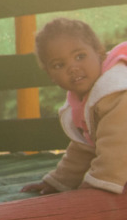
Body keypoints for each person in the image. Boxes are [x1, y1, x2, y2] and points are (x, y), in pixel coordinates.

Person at [24, 18, 127, 195]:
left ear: (99, 52)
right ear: (51, 76)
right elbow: (84, 145)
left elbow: (118, 144)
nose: (73, 68)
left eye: (80, 56)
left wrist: (99, 184)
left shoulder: (116, 91)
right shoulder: (84, 101)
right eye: (59, 65)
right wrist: (59, 182)